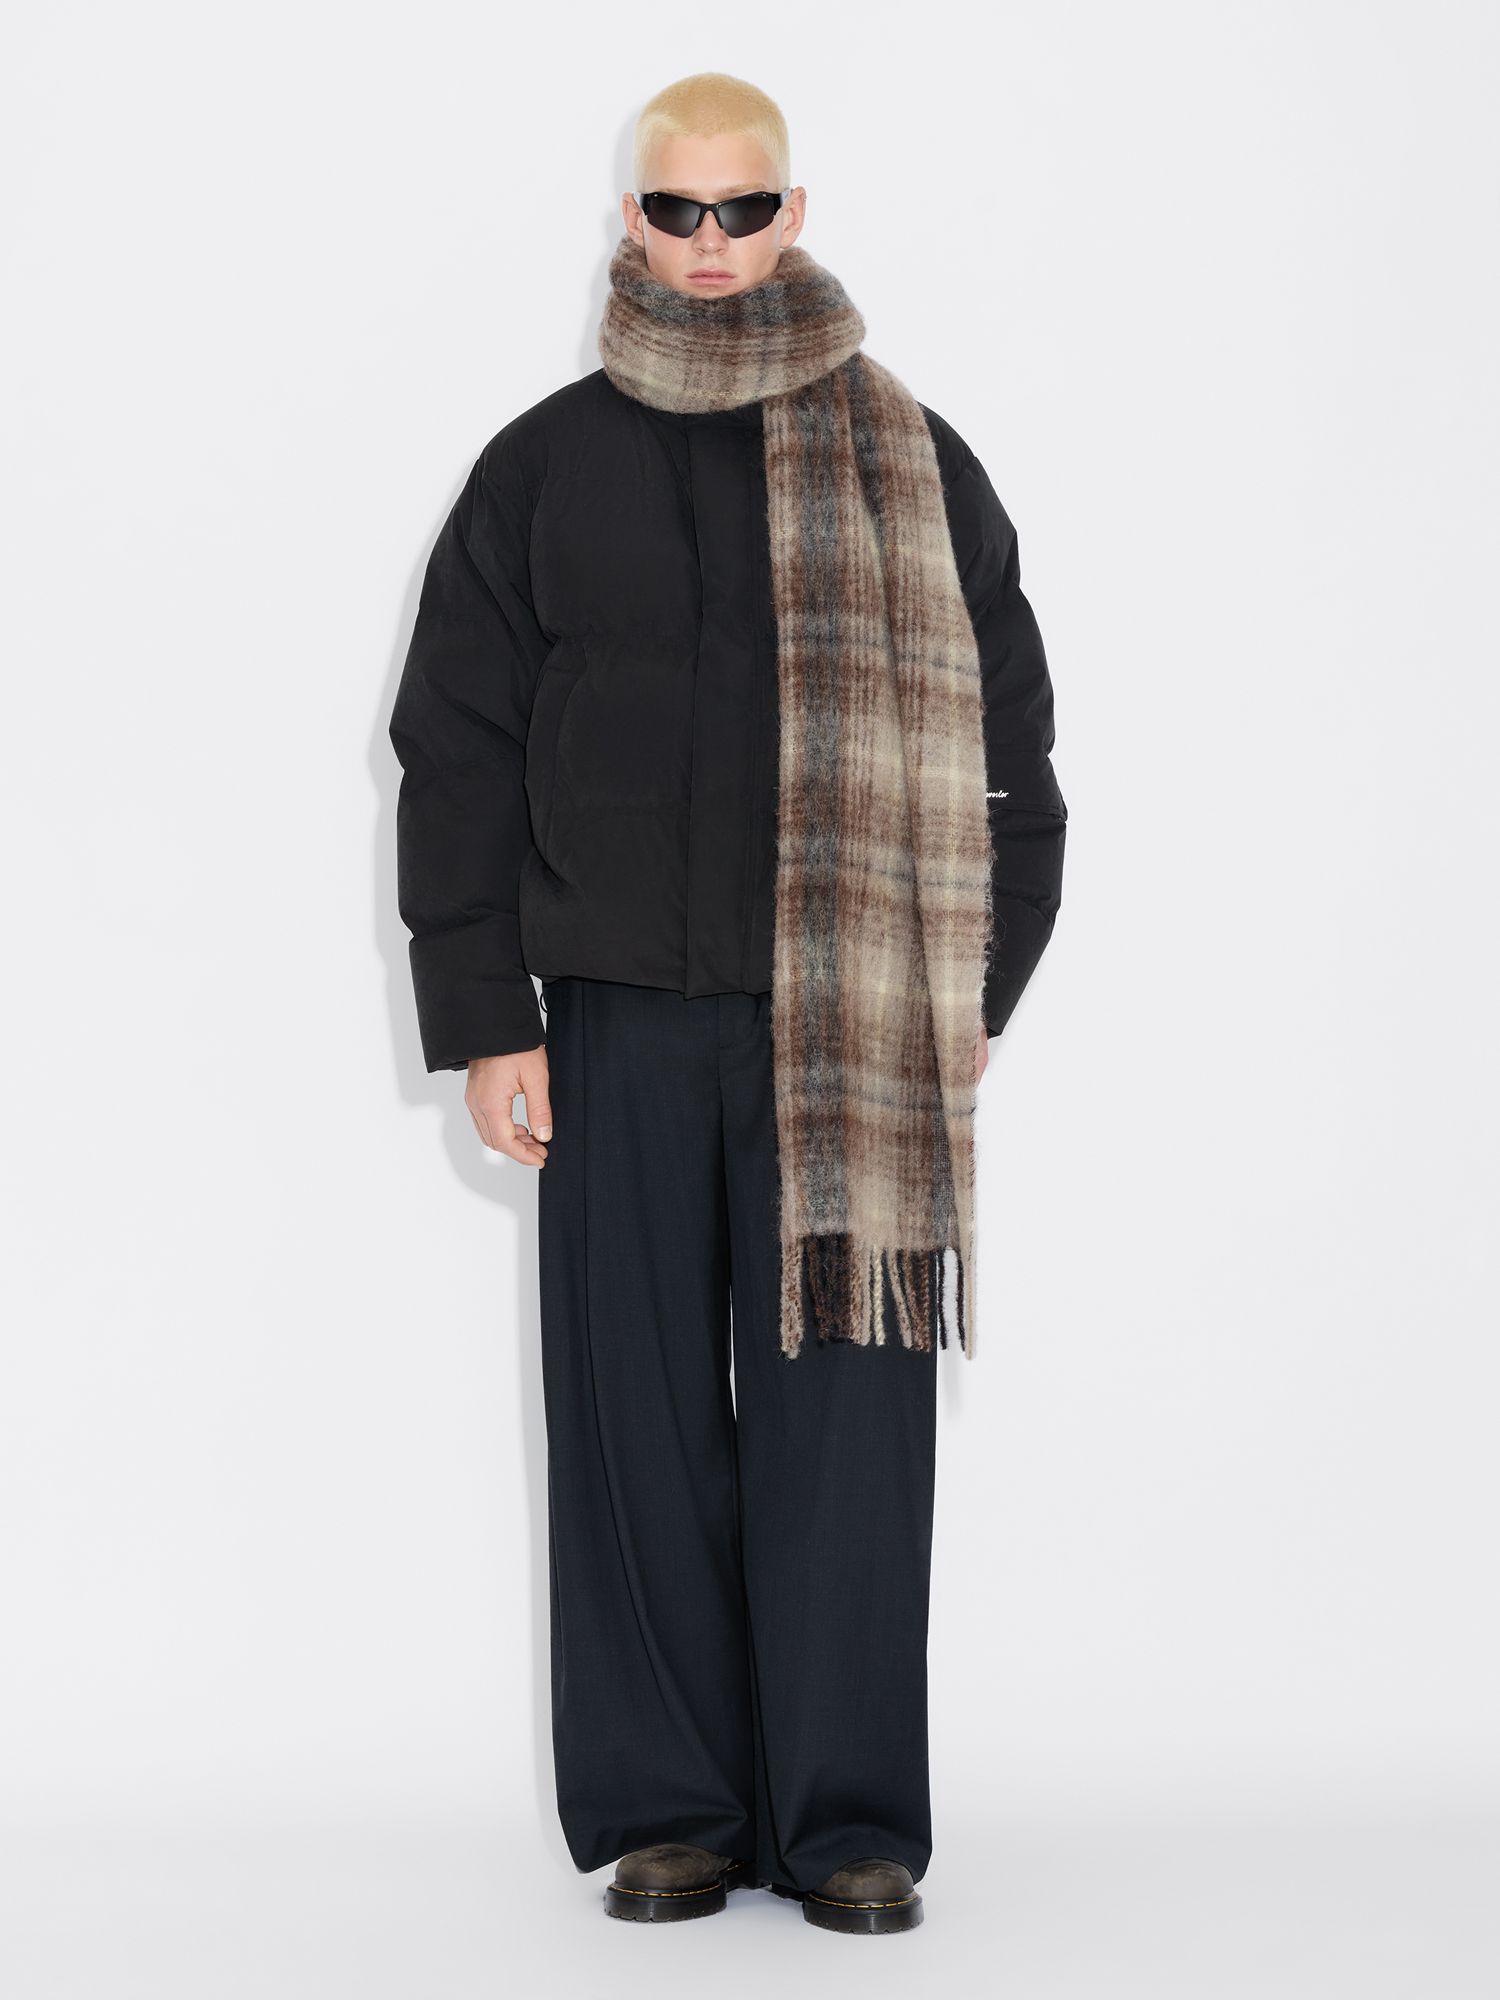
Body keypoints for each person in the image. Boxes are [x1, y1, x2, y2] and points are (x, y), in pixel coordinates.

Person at [389, 71, 1066, 1936]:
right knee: (635, 1409)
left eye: (741, 208)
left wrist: (977, 982)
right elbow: (454, 749)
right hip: (614, 1012)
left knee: (850, 1419)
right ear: (631, 220)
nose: (709, 243)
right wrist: (487, 1012)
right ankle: (673, 1808)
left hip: (850, 1025)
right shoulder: (541, 467)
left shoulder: (915, 458)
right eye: (676, 210)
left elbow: (1015, 752)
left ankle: (846, 1821)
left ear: (793, 212)